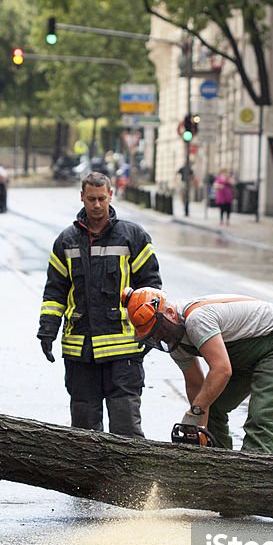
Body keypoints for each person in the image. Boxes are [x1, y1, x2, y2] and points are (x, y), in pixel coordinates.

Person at [37, 171, 161, 437]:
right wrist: (47, 331)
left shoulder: (133, 237)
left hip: (123, 352)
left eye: (101, 199)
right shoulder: (66, 241)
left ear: (110, 196)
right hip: (81, 352)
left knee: (126, 429)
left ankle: (131, 479)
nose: (96, 205)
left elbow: (151, 289)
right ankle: (88, 480)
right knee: (83, 434)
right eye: (91, 199)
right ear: (82, 197)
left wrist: (150, 333)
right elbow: (55, 291)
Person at [123, 288, 273, 454]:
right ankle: (220, 468)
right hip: (241, 357)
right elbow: (195, 383)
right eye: (152, 335)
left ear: (169, 313)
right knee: (213, 408)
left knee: (261, 418)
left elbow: (221, 370)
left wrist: (194, 412)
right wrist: (199, 427)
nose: (158, 337)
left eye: (157, 329)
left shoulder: (197, 320)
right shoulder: (175, 340)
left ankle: (255, 480)